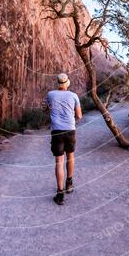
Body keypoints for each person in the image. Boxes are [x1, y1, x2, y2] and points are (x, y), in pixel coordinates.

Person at [43, 72, 82, 205]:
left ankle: (60, 194)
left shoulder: (50, 94)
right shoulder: (74, 96)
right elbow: (80, 116)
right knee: (70, 156)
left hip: (57, 131)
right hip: (70, 130)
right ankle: (69, 184)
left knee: (59, 161)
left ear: (58, 83)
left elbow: (45, 109)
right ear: (67, 83)